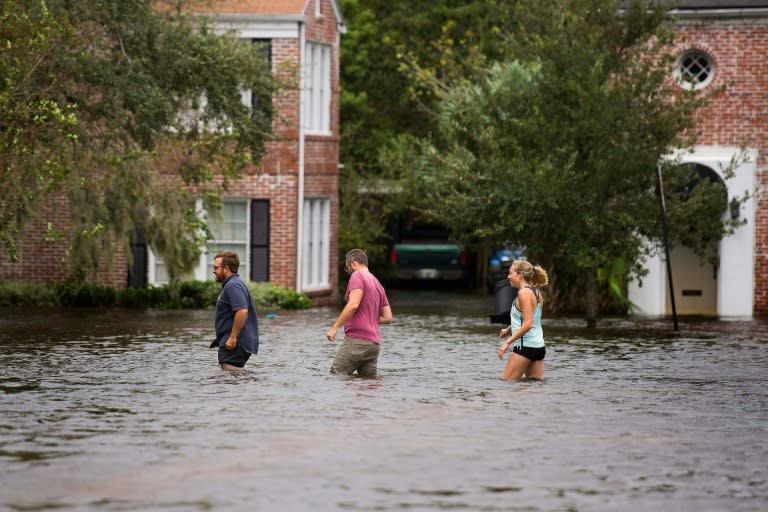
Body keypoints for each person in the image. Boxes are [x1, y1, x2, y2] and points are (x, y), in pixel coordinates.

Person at [326, 249, 393, 377]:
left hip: (357, 341)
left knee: (335, 378)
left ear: (353, 263)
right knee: (367, 386)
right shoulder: (377, 283)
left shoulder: (357, 276)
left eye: (347, 268)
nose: (348, 271)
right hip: (373, 345)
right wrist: (369, 318)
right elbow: (388, 317)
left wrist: (334, 328)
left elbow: (353, 304)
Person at [497, 260, 549, 380]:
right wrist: (509, 329)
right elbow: (531, 318)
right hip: (538, 347)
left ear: (520, 275)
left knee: (506, 384)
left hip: (524, 348)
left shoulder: (523, 293)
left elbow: (528, 324)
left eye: (511, 273)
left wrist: (506, 343)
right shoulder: (536, 293)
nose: (508, 277)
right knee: (532, 389)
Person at [210, 251, 259, 371]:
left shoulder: (233, 286)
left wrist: (232, 337)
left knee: (229, 383)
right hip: (235, 341)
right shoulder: (233, 284)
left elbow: (242, 311)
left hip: (235, 343)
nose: (213, 271)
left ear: (226, 269)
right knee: (235, 380)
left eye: (216, 267)